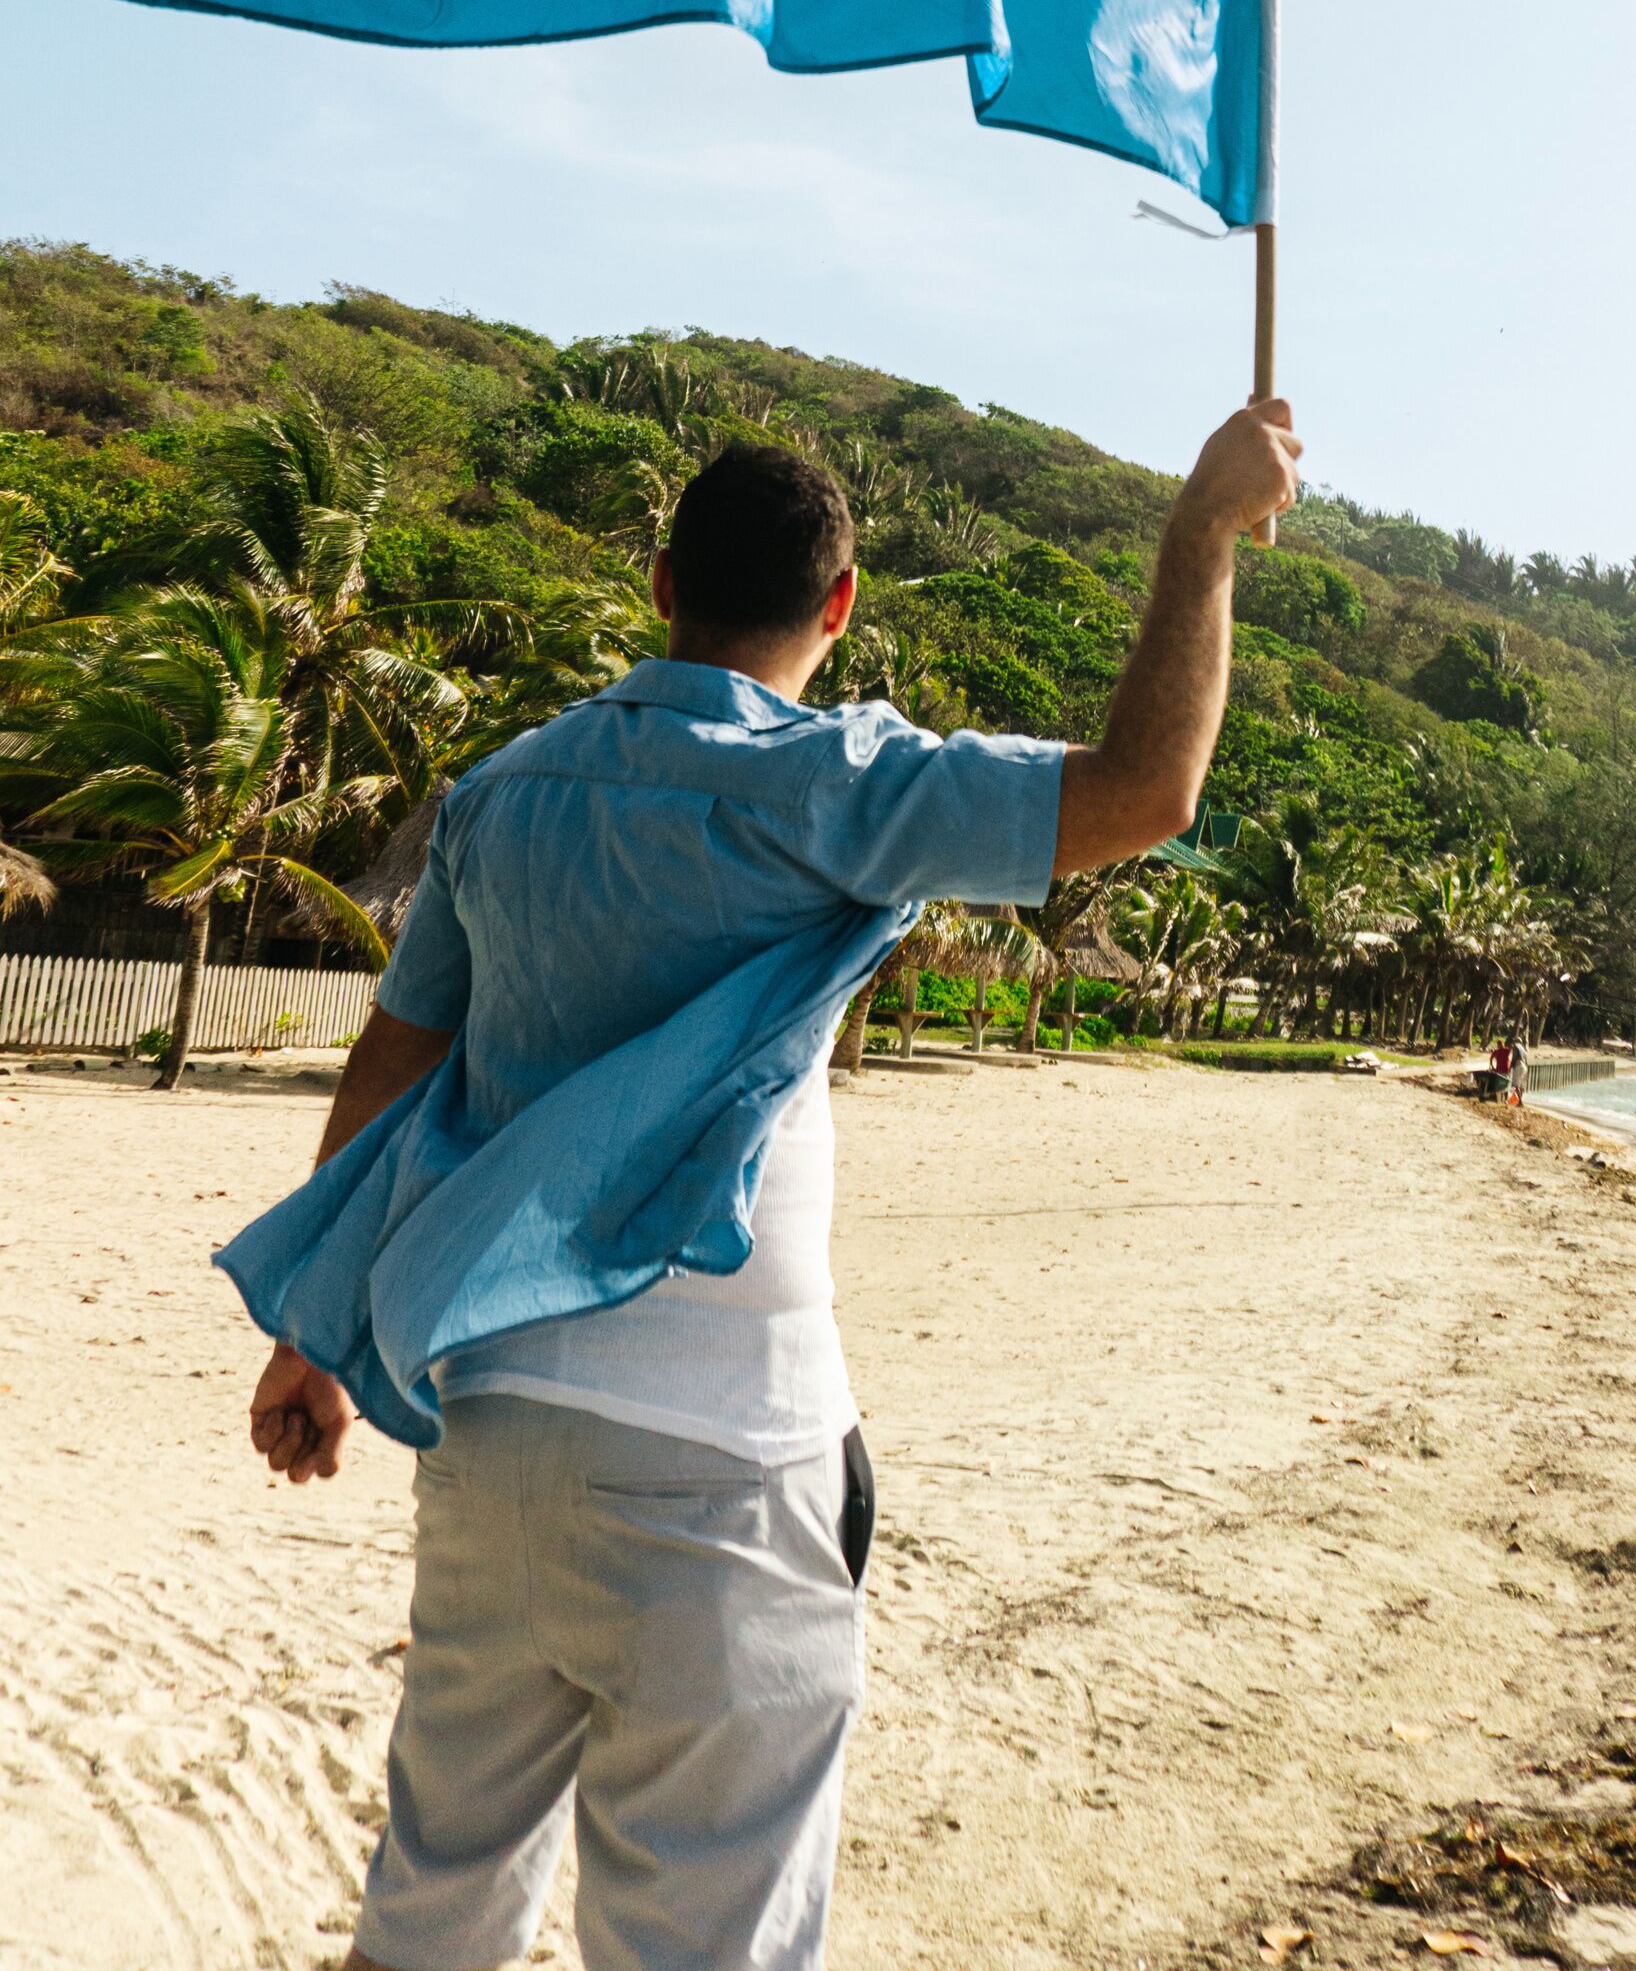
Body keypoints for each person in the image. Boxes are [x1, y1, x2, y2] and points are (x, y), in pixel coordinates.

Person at [225, 394, 1299, 1971]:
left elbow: (394, 1058)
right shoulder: (841, 787)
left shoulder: (501, 794)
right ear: (840, 606)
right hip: (727, 1457)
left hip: (485, 1435)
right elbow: (1147, 787)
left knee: (436, 1900)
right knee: (703, 1934)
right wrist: (1200, 537)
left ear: (661, 585)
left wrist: (313, 1331)